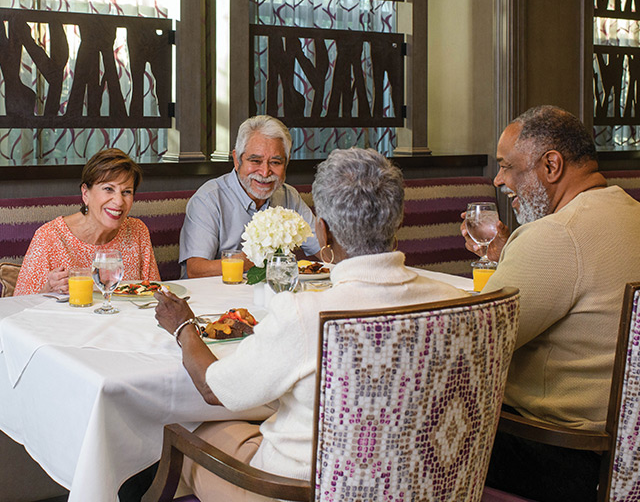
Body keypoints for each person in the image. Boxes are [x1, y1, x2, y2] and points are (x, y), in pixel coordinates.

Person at [155, 148, 468, 501]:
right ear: (399, 221)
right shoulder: (455, 300)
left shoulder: (305, 313)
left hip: (296, 491)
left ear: (321, 231)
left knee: (198, 433)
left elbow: (216, 391)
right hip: (421, 486)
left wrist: (183, 327)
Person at [461, 106, 640, 502]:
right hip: (626, 457)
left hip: (566, 455)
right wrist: (513, 252)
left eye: (507, 166)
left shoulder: (556, 235)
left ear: (552, 165)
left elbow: (474, 343)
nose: (498, 179)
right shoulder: (631, 214)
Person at [179, 115, 320, 278]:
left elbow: (324, 250)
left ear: (286, 163)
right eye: (255, 161)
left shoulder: (289, 197)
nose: (265, 172)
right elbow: (196, 269)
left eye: (275, 162)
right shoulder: (209, 199)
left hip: (273, 296)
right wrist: (256, 257)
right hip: (216, 297)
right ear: (237, 160)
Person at [14, 148, 160, 295]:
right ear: (85, 193)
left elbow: (156, 293)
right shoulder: (49, 237)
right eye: (108, 189)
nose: (119, 201)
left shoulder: (137, 231)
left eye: (126, 192)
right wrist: (47, 291)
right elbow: (20, 305)